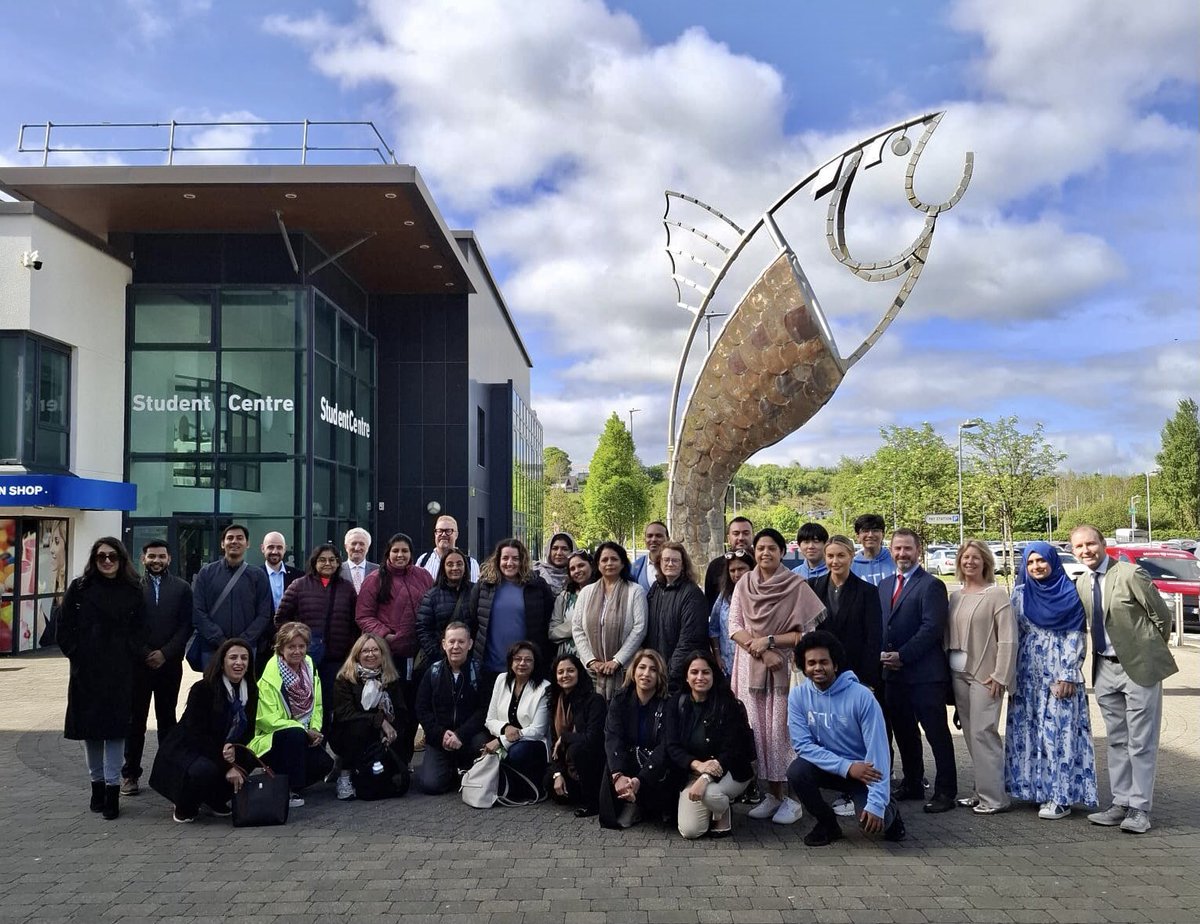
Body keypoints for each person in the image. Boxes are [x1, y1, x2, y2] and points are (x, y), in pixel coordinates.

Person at [1071, 525, 1176, 834]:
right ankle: (1120, 803)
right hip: (1104, 670)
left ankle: (1140, 809)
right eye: (1079, 547)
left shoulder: (1130, 574)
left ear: (1103, 544)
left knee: (1141, 741)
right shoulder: (1081, 583)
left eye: (1091, 543)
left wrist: (1147, 651)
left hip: (1139, 669)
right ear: (1073, 551)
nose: (1086, 550)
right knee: (1117, 739)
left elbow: (1162, 617)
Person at [730, 528, 825, 825]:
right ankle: (771, 794)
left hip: (785, 669)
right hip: (750, 667)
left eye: (772, 548)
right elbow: (734, 625)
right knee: (758, 731)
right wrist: (758, 649)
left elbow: (807, 633)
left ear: (783, 552)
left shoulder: (796, 585)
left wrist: (770, 642)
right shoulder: (744, 583)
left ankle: (793, 799)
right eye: (760, 548)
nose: (765, 553)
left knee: (783, 733)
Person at [787, 630, 906, 846]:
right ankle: (828, 825)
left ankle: (891, 811)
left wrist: (877, 804)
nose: (817, 668)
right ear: (803, 667)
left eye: (824, 661)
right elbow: (803, 746)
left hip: (865, 772)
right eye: (811, 663)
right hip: (834, 768)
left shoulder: (862, 697)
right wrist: (847, 766)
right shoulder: (797, 696)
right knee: (797, 771)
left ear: (836, 664)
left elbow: (878, 751)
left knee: (873, 826)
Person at [1006, 542, 1098, 820]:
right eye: (1031, 562)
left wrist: (1068, 673)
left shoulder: (1069, 592)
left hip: (1058, 675)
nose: (1036, 567)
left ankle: (1061, 797)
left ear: (1052, 562)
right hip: (1027, 675)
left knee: (1058, 735)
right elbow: (1011, 632)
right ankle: (1036, 790)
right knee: (1030, 733)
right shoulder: (1020, 594)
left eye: (1041, 561)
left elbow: (1076, 635)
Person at [58, 537, 148, 820]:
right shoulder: (81, 588)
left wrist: (130, 654)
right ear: (94, 560)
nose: (107, 561)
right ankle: (96, 786)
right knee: (91, 732)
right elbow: (64, 626)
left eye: (113, 556)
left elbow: (141, 628)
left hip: (120, 673)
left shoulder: (134, 589)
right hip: (87, 672)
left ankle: (112, 791)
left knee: (116, 731)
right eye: (101, 557)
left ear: (122, 559)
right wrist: (76, 653)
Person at [879, 528, 956, 814]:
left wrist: (903, 656)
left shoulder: (932, 585)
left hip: (925, 676)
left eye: (907, 549)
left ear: (918, 550)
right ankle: (912, 782)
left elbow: (931, 629)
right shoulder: (885, 586)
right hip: (893, 676)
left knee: (936, 734)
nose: (902, 554)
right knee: (904, 734)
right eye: (897, 548)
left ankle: (946, 791)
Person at [149, 637, 258, 823]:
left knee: (249, 758)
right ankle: (185, 805)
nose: (239, 662)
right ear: (222, 662)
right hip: (187, 749)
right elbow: (195, 734)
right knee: (205, 769)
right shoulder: (203, 689)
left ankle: (214, 799)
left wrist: (233, 749)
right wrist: (227, 765)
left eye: (244, 658)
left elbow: (249, 730)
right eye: (233, 658)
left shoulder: (251, 691)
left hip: (222, 747)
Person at [947, 540, 1016, 815]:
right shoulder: (956, 596)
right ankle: (980, 791)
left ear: (985, 561)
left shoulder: (997, 595)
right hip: (958, 674)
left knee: (983, 733)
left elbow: (1008, 640)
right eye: (965, 558)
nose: (970, 562)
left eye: (976, 558)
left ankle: (995, 798)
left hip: (986, 677)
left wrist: (1001, 675)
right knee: (971, 736)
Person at [121, 540, 193, 797]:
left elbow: (186, 625)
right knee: (135, 721)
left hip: (169, 664)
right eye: (151, 556)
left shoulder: (182, 588)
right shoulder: (130, 588)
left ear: (169, 559)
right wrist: (144, 653)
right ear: (142, 559)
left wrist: (165, 653)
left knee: (167, 720)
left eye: (161, 556)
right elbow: (126, 628)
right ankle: (130, 774)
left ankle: (167, 773)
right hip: (137, 666)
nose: (156, 560)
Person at [665, 650, 756, 839]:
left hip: (730, 770)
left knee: (711, 795)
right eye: (694, 672)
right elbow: (672, 746)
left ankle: (722, 810)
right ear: (686, 677)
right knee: (691, 831)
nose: (700, 677)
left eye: (706, 672)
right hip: (693, 772)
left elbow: (733, 750)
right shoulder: (676, 703)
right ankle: (711, 807)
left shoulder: (728, 704)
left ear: (714, 674)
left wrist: (705, 777)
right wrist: (697, 765)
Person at [248, 622, 335, 807]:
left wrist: (314, 729)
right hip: (271, 740)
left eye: (301, 646)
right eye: (291, 647)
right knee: (294, 736)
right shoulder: (270, 676)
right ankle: (288, 790)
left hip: (302, 734)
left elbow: (317, 704)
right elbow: (267, 720)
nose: (297, 651)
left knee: (325, 763)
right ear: (281, 649)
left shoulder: (310, 665)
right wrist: (303, 731)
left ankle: (281, 780)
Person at [274, 543, 359, 720]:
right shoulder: (299, 585)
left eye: (332, 560)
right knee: (303, 705)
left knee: (328, 706)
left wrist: (350, 649)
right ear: (314, 562)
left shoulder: (347, 588)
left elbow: (354, 623)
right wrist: (293, 639)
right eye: (322, 560)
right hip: (304, 659)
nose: (327, 563)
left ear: (338, 563)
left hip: (336, 660)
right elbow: (280, 618)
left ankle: (323, 742)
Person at [327, 633, 410, 801]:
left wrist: (390, 730)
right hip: (349, 733)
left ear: (382, 653)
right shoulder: (345, 679)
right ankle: (345, 774)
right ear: (357, 654)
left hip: (380, 737)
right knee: (359, 727)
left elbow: (400, 710)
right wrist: (380, 722)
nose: (370, 654)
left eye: (375, 650)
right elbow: (345, 714)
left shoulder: (391, 678)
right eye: (365, 651)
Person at [600, 649, 676, 829]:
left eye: (653, 669)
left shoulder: (668, 703)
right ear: (633, 672)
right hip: (626, 761)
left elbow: (665, 746)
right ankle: (629, 802)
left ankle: (640, 804)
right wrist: (618, 775)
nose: (646, 674)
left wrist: (640, 780)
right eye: (642, 667)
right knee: (612, 761)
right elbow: (613, 737)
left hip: (654, 765)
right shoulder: (620, 700)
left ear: (660, 675)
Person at [469, 538, 556, 691]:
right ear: (497, 560)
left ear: (522, 560)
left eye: (515, 558)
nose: (510, 563)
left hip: (526, 668)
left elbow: (547, 623)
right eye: (505, 558)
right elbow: (473, 622)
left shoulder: (538, 586)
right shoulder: (484, 586)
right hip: (490, 668)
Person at [414, 621, 488, 794]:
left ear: (470, 644)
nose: (456, 646)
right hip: (440, 738)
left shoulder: (480, 672)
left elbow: (484, 710)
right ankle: (452, 770)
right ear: (443, 644)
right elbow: (422, 709)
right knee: (431, 785)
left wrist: (460, 734)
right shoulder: (432, 672)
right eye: (452, 641)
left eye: (461, 642)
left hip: (469, 737)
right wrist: (440, 734)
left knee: (481, 743)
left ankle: (464, 768)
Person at [192, 524, 273, 672]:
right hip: (212, 649)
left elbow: (264, 614)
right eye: (230, 538)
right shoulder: (206, 573)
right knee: (212, 691)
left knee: (245, 691)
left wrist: (243, 642)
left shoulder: (258, 576)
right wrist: (220, 640)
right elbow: (198, 611)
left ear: (247, 544)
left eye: (240, 538)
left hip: (246, 650)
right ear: (223, 544)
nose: (234, 541)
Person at [572, 541, 648, 700]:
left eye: (614, 559)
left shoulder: (635, 591)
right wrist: (591, 661)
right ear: (597, 564)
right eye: (604, 560)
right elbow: (577, 628)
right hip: (593, 672)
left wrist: (617, 661)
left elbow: (639, 629)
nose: (609, 563)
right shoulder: (586, 592)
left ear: (622, 563)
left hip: (625, 670)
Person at [807, 535, 882, 691]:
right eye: (830, 556)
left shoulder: (868, 592)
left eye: (841, 555)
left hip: (855, 673)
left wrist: (867, 680)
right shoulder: (813, 587)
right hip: (821, 673)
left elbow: (873, 640)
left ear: (851, 556)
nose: (835, 561)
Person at [483, 640, 551, 802]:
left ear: (535, 663)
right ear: (510, 661)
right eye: (517, 659)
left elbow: (538, 730)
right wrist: (505, 727)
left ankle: (527, 788)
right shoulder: (501, 679)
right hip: (504, 736)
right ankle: (498, 786)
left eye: (528, 660)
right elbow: (489, 719)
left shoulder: (544, 687)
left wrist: (502, 740)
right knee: (477, 744)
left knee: (517, 753)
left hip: (532, 743)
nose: (522, 663)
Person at [546, 653, 606, 817]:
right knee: (549, 781)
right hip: (568, 766)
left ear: (579, 672)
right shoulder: (555, 703)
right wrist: (557, 774)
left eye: (570, 670)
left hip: (592, 764)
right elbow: (554, 746)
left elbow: (593, 738)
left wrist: (565, 737)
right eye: (560, 672)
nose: (565, 675)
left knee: (577, 749)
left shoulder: (594, 701)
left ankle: (593, 802)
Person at [645, 541, 709, 691]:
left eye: (675, 560)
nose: (670, 564)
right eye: (666, 560)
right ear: (659, 562)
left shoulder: (692, 594)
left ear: (683, 564)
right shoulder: (656, 589)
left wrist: (669, 673)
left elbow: (689, 640)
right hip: (656, 670)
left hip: (677, 676)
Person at [416, 548, 476, 671]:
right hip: (440, 660)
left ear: (465, 567)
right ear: (443, 568)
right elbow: (423, 628)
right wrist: (439, 655)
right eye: (450, 564)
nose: (455, 568)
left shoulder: (476, 592)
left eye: (459, 564)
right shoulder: (432, 595)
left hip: (470, 660)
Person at [709, 548, 753, 676]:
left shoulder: (759, 595)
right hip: (727, 665)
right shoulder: (724, 596)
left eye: (741, 569)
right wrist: (717, 655)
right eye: (732, 570)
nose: (736, 574)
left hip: (750, 663)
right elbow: (713, 628)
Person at [548, 549, 596, 658]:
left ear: (592, 566)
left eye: (581, 565)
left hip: (596, 660)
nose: (577, 570)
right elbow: (553, 633)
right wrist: (581, 625)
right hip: (569, 662)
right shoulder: (564, 597)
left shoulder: (603, 593)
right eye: (572, 569)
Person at [703, 516, 754, 609]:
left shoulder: (761, 564)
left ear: (752, 536)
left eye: (746, 533)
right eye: (736, 534)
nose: (741, 538)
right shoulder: (715, 566)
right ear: (728, 538)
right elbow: (709, 603)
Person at [417, 515, 481, 582]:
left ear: (456, 535)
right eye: (439, 531)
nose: (443, 534)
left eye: (448, 531)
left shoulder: (471, 563)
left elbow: (474, 591)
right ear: (435, 534)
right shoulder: (423, 560)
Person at [260, 531, 301, 614]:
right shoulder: (255, 576)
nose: (275, 551)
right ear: (262, 548)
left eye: (279, 547)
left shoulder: (298, 576)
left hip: (290, 626)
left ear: (285, 549)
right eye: (270, 547)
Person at [850, 514, 895, 586]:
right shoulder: (851, 566)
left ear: (883, 534)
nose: (870, 535)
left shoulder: (895, 560)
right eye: (865, 531)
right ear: (858, 536)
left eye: (875, 530)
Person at [630, 521, 670, 593]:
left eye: (658, 536)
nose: (653, 539)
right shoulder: (635, 568)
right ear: (645, 540)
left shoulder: (676, 566)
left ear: (668, 539)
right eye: (649, 536)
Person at [340, 527, 378, 593]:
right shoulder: (337, 570)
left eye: (362, 544)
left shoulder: (378, 570)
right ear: (346, 547)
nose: (357, 548)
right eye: (354, 543)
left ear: (368, 547)